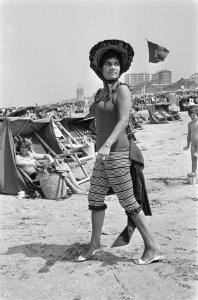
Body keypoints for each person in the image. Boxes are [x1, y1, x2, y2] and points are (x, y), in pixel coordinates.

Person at [77, 39, 162, 265]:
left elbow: (123, 120)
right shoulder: (101, 94)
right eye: (108, 64)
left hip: (117, 154)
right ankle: (95, 244)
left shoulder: (122, 90)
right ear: (101, 69)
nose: (113, 67)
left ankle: (152, 247)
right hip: (103, 156)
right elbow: (91, 116)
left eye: (116, 64)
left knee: (129, 202)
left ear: (120, 68)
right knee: (94, 198)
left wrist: (106, 145)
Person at [15, 138, 87, 194]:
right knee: (57, 169)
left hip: (41, 172)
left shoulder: (31, 155)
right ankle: (73, 189)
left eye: (26, 147)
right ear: (19, 148)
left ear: (28, 148)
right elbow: (18, 163)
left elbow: (45, 155)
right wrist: (35, 164)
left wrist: (50, 159)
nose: (24, 149)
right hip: (35, 177)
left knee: (64, 165)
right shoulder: (18, 157)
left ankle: (77, 186)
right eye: (22, 147)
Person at [183, 105, 198, 174]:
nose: (192, 117)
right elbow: (189, 135)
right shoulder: (190, 124)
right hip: (193, 145)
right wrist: (187, 145)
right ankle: (193, 173)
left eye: (193, 115)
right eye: (190, 115)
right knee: (193, 159)